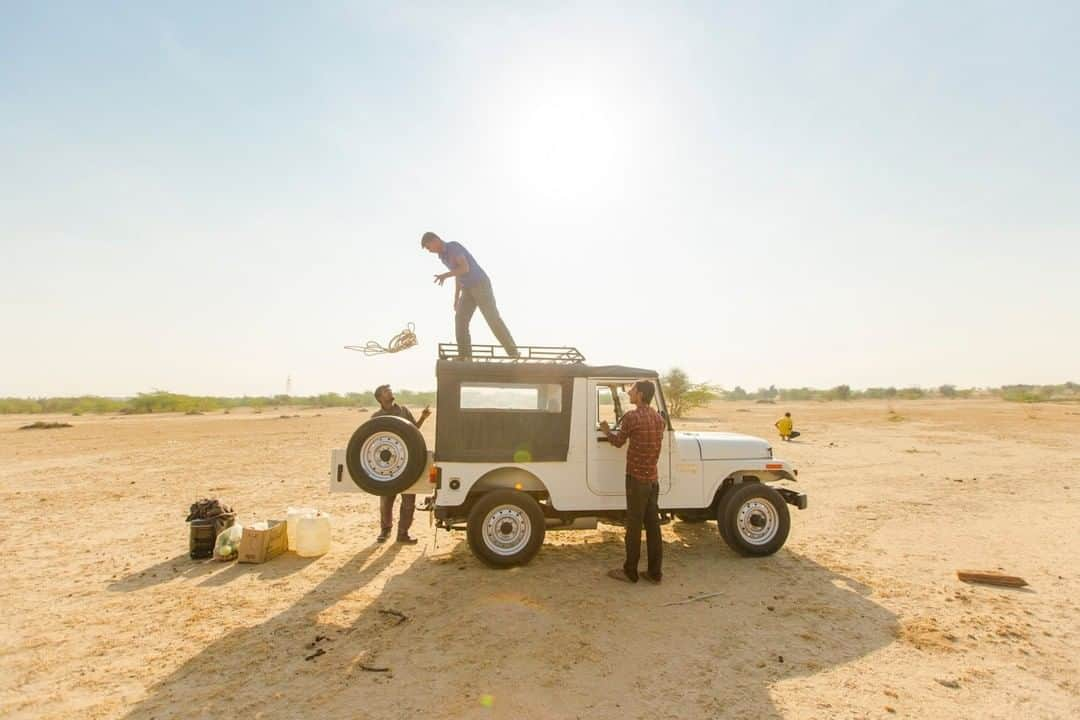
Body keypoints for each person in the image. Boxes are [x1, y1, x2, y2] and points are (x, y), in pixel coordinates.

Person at [599, 380, 665, 584]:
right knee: (653, 527)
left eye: (633, 390)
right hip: (652, 479)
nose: (629, 392)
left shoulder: (632, 417)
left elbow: (618, 442)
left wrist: (606, 430)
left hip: (636, 479)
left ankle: (630, 571)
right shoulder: (658, 418)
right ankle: (655, 573)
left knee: (634, 526)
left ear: (641, 395)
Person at [421, 231, 519, 358]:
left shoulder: (453, 247)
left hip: (480, 284)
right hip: (467, 289)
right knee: (460, 319)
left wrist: (444, 276)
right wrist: (456, 298)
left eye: (429, 247)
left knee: (492, 318)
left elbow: (464, 268)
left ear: (435, 240)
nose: (429, 251)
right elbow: (457, 274)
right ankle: (465, 356)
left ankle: (513, 352)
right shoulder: (442, 257)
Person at [372, 384, 431, 544]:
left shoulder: (403, 411)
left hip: (407, 461)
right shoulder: (376, 417)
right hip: (387, 465)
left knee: (408, 501)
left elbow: (414, 430)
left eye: (389, 390)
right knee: (386, 500)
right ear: (379, 398)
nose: (390, 392)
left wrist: (423, 418)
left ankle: (403, 533)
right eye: (386, 391)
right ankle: (385, 531)